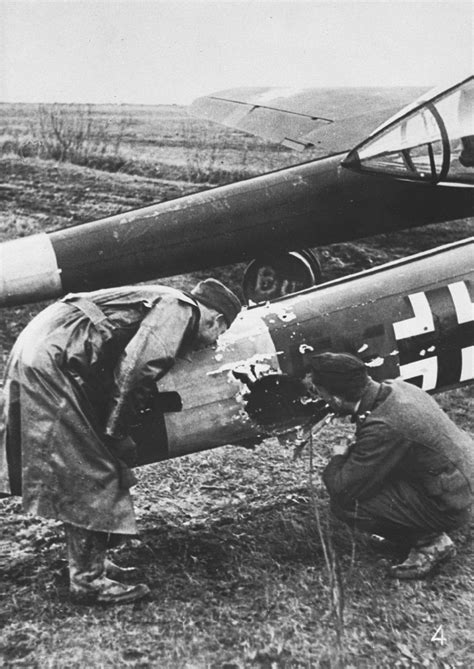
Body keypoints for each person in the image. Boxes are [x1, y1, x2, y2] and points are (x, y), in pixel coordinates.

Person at [0, 279, 241, 604]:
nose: (213, 342)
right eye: (220, 334)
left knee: (88, 465)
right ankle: (88, 581)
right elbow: (136, 368)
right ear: (217, 320)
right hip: (52, 363)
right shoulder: (181, 310)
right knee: (91, 470)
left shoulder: (168, 299)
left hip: (42, 351)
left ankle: (92, 563)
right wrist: (116, 432)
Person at [304, 352, 474, 579]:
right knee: (368, 480)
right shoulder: (396, 389)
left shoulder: (384, 425)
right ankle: (415, 528)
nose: (322, 400)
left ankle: (430, 542)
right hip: (455, 478)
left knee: (347, 505)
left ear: (335, 399)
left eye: (322, 394)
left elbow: (341, 488)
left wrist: (338, 455)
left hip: (452, 502)